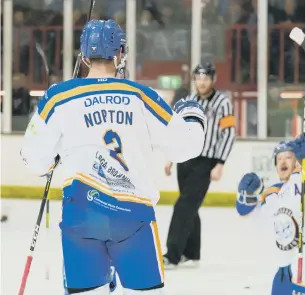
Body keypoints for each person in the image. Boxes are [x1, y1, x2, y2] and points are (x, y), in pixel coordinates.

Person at [21, 19, 207, 295]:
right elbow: (187, 146)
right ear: (120, 53)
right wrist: (193, 113)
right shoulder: (141, 95)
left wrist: (51, 160)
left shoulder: (57, 97)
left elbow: (33, 160)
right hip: (132, 217)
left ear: (83, 55)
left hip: (81, 215)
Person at [236, 136, 305, 295]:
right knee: (292, 269)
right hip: (288, 266)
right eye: (279, 158)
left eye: (288, 157)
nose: (283, 161)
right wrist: (247, 196)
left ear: (298, 160)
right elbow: (247, 213)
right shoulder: (272, 195)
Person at [163, 62, 236, 269]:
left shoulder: (223, 103)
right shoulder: (188, 101)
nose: (202, 82)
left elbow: (229, 134)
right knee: (190, 207)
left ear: (213, 80)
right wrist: (171, 157)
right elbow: (178, 131)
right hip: (185, 159)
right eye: (199, 78)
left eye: (206, 78)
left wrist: (220, 163)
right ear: (194, 80)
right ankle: (191, 252)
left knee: (184, 205)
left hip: (205, 161)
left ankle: (173, 255)